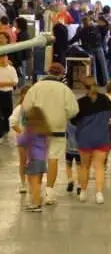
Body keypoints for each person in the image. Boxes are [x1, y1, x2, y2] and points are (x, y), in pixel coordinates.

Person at [23, 62, 79, 205]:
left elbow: (26, 107)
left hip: (37, 128)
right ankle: (49, 193)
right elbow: (74, 110)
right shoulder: (65, 90)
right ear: (61, 74)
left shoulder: (36, 87)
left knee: (37, 159)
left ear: (48, 72)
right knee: (53, 159)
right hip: (58, 129)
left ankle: (35, 192)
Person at [72, 77, 111, 204]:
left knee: (84, 166)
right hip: (102, 137)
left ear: (84, 87)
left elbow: (73, 120)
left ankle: (83, 193)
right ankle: (99, 194)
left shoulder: (80, 103)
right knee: (99, 166)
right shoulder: (105, 100)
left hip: (85, 138)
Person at [17, 107, 51, 212]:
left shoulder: (30, 130)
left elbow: (22, 141)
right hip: (42, 159)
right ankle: (36, 202)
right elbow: (47, 144)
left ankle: (36, 204)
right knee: (38, 182)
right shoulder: (44, 129)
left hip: (33, 159)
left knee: (33, 183)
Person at [9, 85, 30, 193]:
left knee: (35, 162)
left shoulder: (37, 108)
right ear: (22, 95)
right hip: (23, 140)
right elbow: (12, 123)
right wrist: (22, 133)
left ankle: (33, 182)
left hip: (36, 139)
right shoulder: (19, 109)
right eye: (27, 94)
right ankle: (23, 183)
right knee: (23, 161)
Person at [0, 54, 18, 141]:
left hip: (8, 93)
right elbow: (12, 82)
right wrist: (8, 82)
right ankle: (1, 132)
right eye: (1, 58)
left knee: (8, 112)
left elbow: (15, 82)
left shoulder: (12, 69)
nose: (3, 60)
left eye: (5, 58)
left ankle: (6, 130)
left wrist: (2, 83)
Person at [65, 121, 82, 195]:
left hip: (69, 148)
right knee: (79, 167)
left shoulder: (68, 123)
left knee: (68, 165)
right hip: (79, 149)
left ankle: (70, 180)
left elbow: (66, 134)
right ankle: (79, 185)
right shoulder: (81, 123)